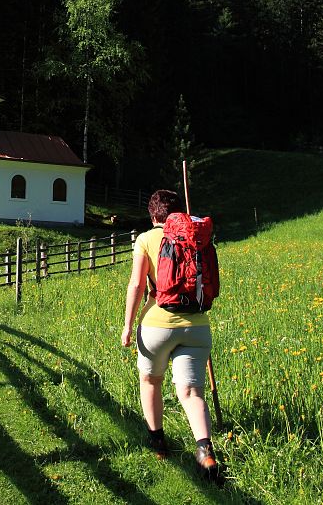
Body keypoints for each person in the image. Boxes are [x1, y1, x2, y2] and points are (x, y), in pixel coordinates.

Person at [121, 189, 219, 479]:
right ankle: (205, 452)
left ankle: (158, 443)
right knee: (190, 392)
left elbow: (138, 285)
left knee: (151, 380)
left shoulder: (145, 239)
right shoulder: (197, 235)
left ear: (153, 215)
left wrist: (127, 325)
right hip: (198, 325)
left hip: (156, 325)